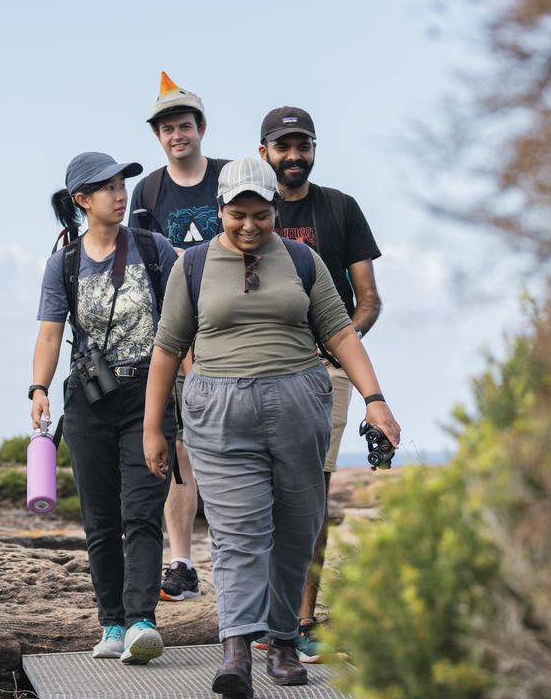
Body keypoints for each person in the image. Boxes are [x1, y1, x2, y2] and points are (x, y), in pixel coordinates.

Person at [142, 157, 400, 697]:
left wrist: (375, 400)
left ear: (274, 211)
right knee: (239, 535)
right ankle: (236, 649)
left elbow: (341, 332)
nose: (250, 226)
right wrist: (153, 428)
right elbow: (166, 348)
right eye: (238, 215)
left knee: (297, 529)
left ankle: (282, 640)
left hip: (299, 402)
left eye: (261, 215)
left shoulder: (303, 260)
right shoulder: (190, 265)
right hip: (218, 411)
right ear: (221, 211)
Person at [30, 152, 179, 665]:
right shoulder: (64, 263)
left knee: (141, 512)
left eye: (122, 185)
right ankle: (111, 624)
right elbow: (51, 332)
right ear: (81, 201)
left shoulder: (154, 249)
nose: (120, 194)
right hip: (89, 401)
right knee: (100, 520)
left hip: (149, 396)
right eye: (108, 187)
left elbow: (188, 312)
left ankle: (141, 621)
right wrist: (38, 388)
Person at [255, 106, 383, 662]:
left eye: (302, 144)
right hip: (257, 370)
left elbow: (369, 299)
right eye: (282, 146)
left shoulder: (341, 208)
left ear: (314, 148)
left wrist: (336, 341)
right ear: (264, 153)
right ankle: (263, 618)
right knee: (257, 496)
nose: (293, 155)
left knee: (311, 498)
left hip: (327, 374)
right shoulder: (249, 211)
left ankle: (304, 621)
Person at [129, 71, 228, 604]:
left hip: (230, 330)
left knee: (233, 449)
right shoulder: (147, 190)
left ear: (201, 129)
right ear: (158, 136)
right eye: (167, 128)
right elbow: (142, 263)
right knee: (177, 449)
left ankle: (238, 563)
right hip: (171, 332)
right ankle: (183, 563)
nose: (176, 135)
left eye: (184, 125)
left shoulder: (230, 178)